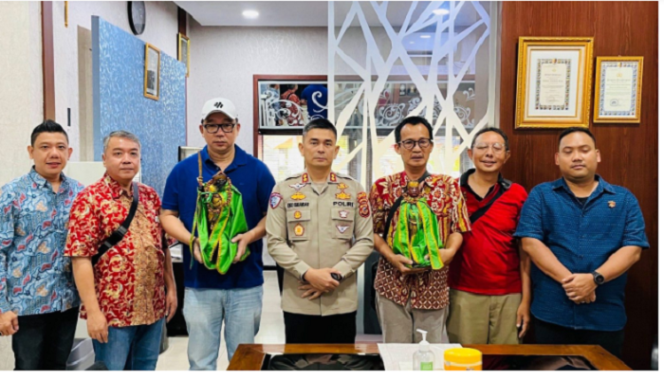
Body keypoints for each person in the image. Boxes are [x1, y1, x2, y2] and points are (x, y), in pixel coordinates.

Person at [514, 127, 649, 358]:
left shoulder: (624, 199)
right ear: (558, 158)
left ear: (597, 155)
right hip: (551, 313)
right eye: (568, 151)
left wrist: (594, 279)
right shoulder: (541, 195)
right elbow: (530, 243)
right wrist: (575, 284)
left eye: (584, 150)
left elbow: (633, 249)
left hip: (605, 316)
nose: (576, 156)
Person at [161, 97, 275, 369]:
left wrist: (249, 237)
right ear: (201, 130)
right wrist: (192, 240)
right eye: (212, 126)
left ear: (238, 128)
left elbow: (273, 216)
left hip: (245, 282)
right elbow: (167, 215)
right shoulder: (183, 171)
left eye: (226, 125)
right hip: (200, 283)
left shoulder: (256, 170)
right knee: (201, 361)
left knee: (244, 361)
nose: (220, 132)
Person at [65, 131, 177, 370]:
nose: (126, 159)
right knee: (112, 370)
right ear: (104, 159)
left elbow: (162, 247)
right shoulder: (89, 199)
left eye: (133, 154)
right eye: (118, 153)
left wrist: (172, 289)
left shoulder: (150, 196)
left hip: (152, 308)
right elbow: (80, 258)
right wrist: (93, 313)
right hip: (112, 314)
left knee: (146, 369)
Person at [266, 119, 373, 344]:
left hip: (340, 298)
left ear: (336, 151)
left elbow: (365, 240)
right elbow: (275, 242)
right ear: (302, 148)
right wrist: (309, 274)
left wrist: (334, 275)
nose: (321, 149)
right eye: (314, 142)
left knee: (341, 366)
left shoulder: (354, 190)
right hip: (299, 299)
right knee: (299, 366)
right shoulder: (283, 189)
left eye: (327, 143)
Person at [369, 116, 470, 344]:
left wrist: (449, 253)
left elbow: (458, 228)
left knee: (429, 353)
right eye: (409, 143)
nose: (417, 148)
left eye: (423, 142)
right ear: (397, 148)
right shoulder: (382, 187)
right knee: (396, 351)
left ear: (432, 146)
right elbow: (372, 232)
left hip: (434, 284)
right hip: (391, 284)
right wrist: (391, 257)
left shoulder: (449, 186)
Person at [0, 120, 84, 370]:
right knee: (28, 368)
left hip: (67, 302)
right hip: (26, 305)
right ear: (31, 151)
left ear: (69, 152)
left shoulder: (80, 194)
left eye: (60, 147)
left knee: (58, 367)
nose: (53, 153)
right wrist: (2, 307)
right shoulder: (12, 194)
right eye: (45, 147)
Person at [447, 127, 531, 344]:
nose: (489, 153)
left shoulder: (518, 194)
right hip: (462, 293)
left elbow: (525, 251)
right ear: (469, 153)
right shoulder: (451, 192)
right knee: (464, 362)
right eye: (482, 147)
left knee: (505, 365)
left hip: (509, 294)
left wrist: (525, 300)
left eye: (497, 148)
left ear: (507, 155)